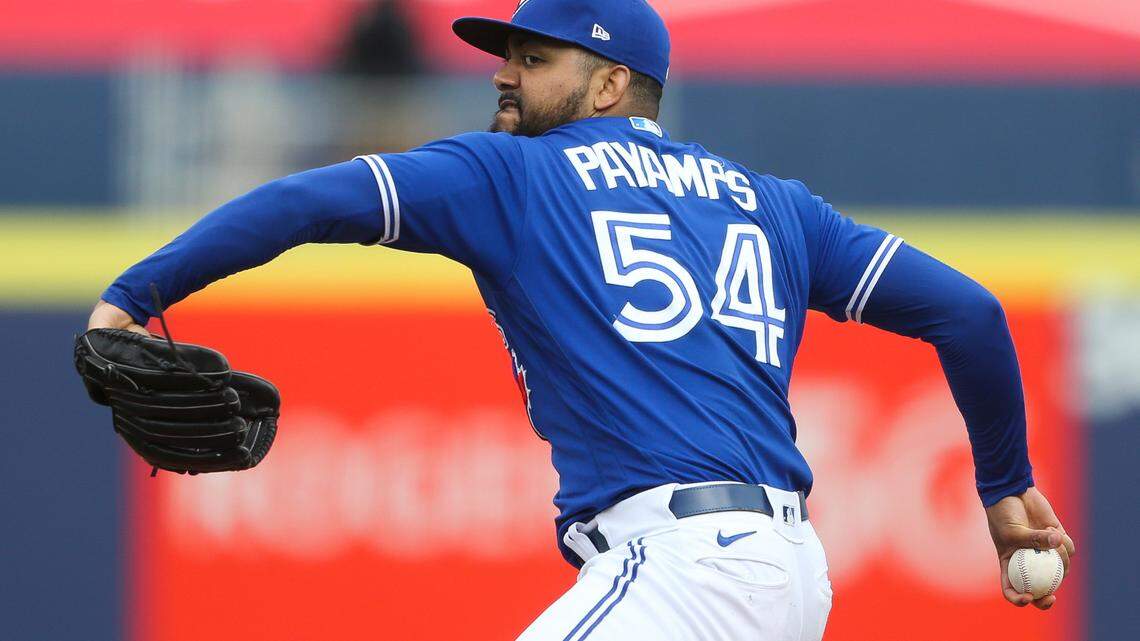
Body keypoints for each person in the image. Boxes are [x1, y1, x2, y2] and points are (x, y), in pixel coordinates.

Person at [87, 0, 1075, 639]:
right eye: (507, 53)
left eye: (535, 57)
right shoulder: (772, 203)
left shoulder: (509, 175)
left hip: (680, 574)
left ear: (610, 85)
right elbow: (969, 313)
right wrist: (1004, 484)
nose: (504, 74)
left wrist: (135, 294)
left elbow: (305, 203)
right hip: (791, 579)